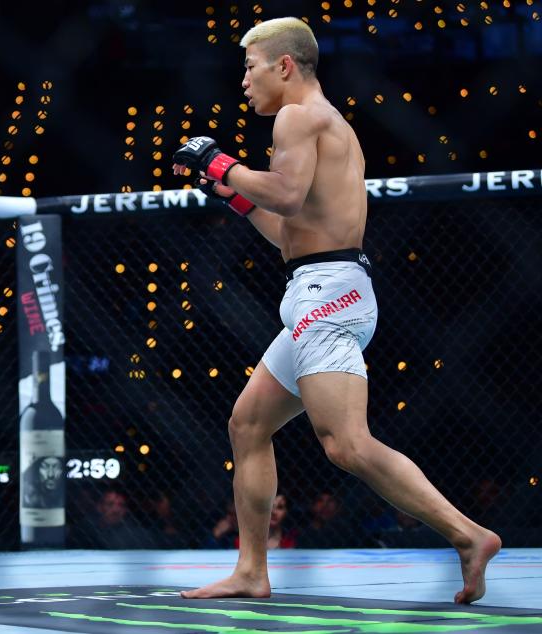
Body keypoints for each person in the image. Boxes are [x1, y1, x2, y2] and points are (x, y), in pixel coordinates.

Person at [171, 17, 500, 604]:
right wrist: (234, 194)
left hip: (330, 294)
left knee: (346, 444)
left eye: (249, 67)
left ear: (284, 66)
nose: (243, 81)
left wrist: (220, 162)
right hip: (316, 286)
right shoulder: (322, 123)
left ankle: (469, 535)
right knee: (247, 425)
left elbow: (288, 193)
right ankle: (251, 570)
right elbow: (290, 231)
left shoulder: (300, 117)